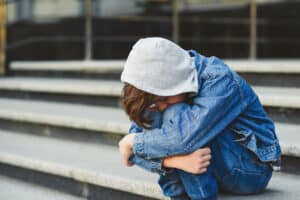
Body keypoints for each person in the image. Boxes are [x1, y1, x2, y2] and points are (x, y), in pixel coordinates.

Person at [118, 37, 281, 200]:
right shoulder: (156, 94)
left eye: (164, 99)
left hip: (250, 170)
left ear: (175, 81)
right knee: (163, 123)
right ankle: (180, 194)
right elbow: (132, 153)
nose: (160, 106)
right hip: (209, 167)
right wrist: (174, 161)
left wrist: (133, 142)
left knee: (176, 114)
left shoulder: (220, 79)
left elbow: (181, 140)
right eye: (156, 102)